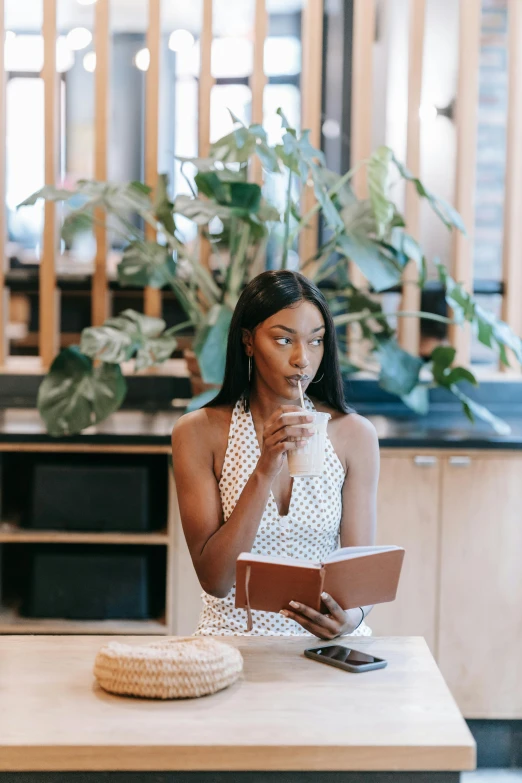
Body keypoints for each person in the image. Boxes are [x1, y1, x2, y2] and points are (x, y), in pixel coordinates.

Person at [172, 270, 380, 638]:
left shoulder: (354, 435)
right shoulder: (198, 433)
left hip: (325, 648)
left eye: (316, 342)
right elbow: (216, 580)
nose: (302, 359)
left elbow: (359, 582)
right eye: (284, 340)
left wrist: (352, 619)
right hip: (233, 645)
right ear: (248, 342)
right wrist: (265, 467)